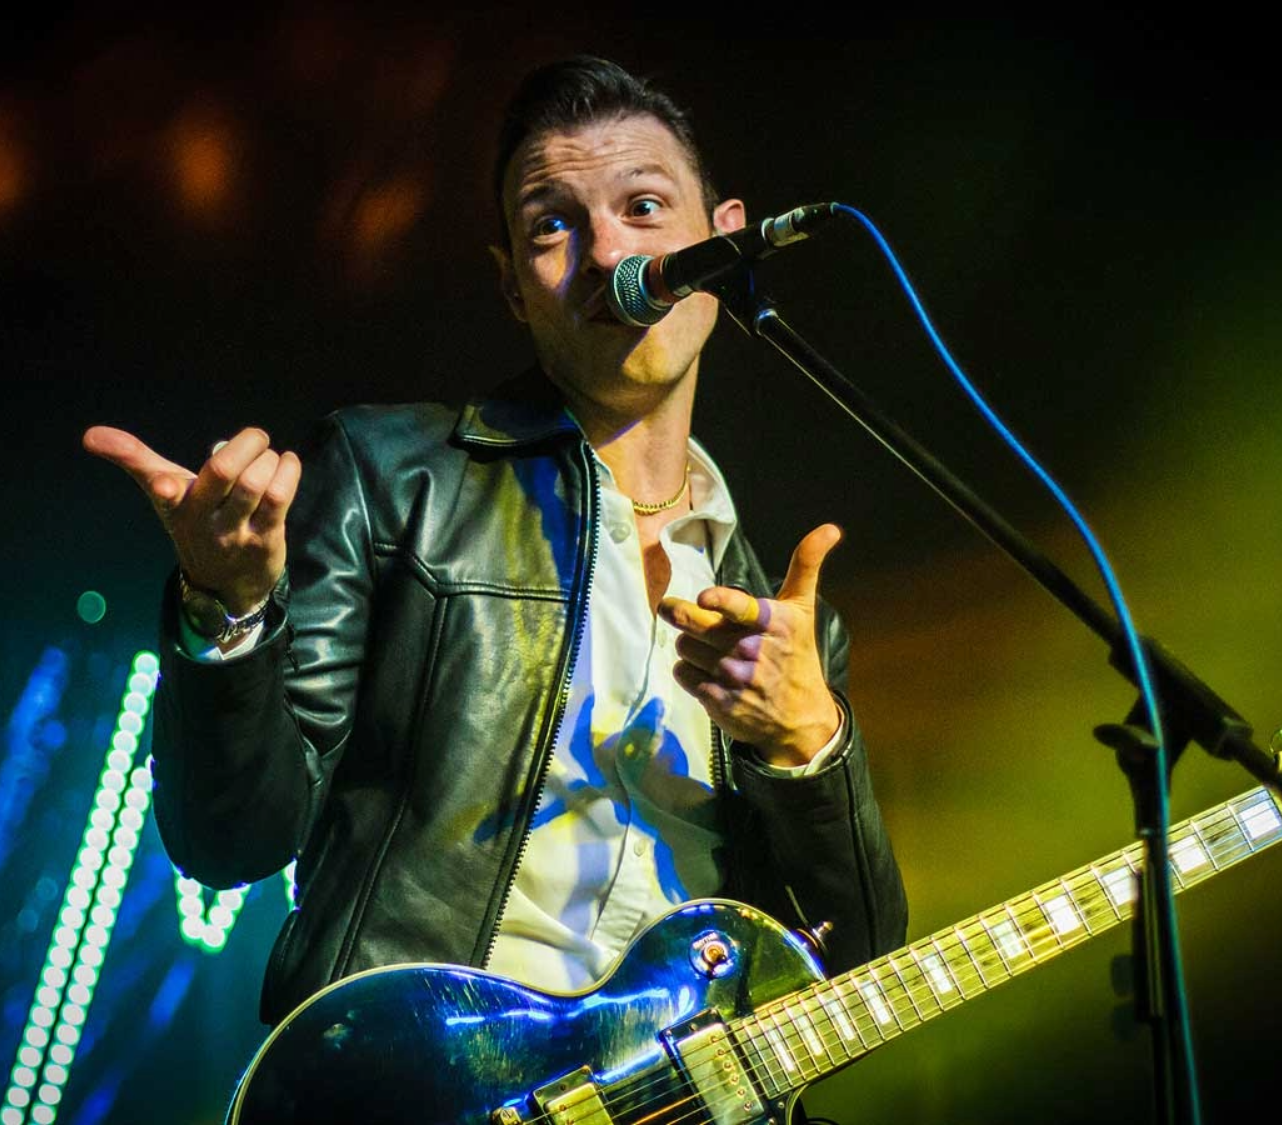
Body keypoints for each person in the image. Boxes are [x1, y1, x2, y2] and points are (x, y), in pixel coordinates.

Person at [85, 50, 906, 1073]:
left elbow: (856, 967)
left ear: (727, 242)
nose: (608, 252)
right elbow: (232, 839)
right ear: (514, 287)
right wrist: (226, 607)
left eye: (644, 207)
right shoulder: (396, 477)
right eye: (552, 225)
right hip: (423, 1085)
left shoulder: (786, 618)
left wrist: (809, 748)